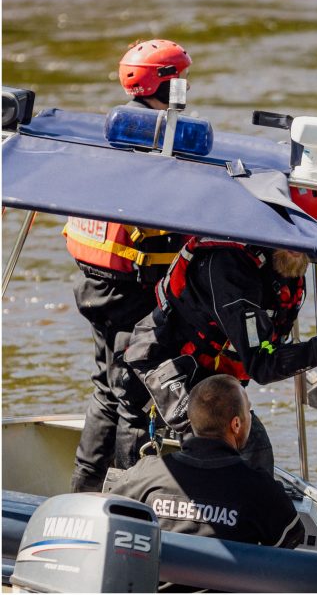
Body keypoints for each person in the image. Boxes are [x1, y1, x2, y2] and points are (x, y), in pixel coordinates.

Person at [70, 39, 317, 490]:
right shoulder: (232, 271)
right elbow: (261, 363)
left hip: (124, 296)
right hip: (156, 347)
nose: (307, 254)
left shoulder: (285, 241)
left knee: (123, 399)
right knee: (135, 405)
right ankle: (118, 495)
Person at [68, 39, 194, 492]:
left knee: (106, 390)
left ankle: (83, 490)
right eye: (181, 79)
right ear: (168, 84)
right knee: (132, 402)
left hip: (95, 285)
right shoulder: (158, 142)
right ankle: (121, 498)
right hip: (131, 293)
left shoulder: (111, 131)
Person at [111, 374, 305, 548]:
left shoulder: (146, 473)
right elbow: (291, 540)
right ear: (236, 424)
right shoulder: (261, 489)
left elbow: (109, 517)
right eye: (249, 410)